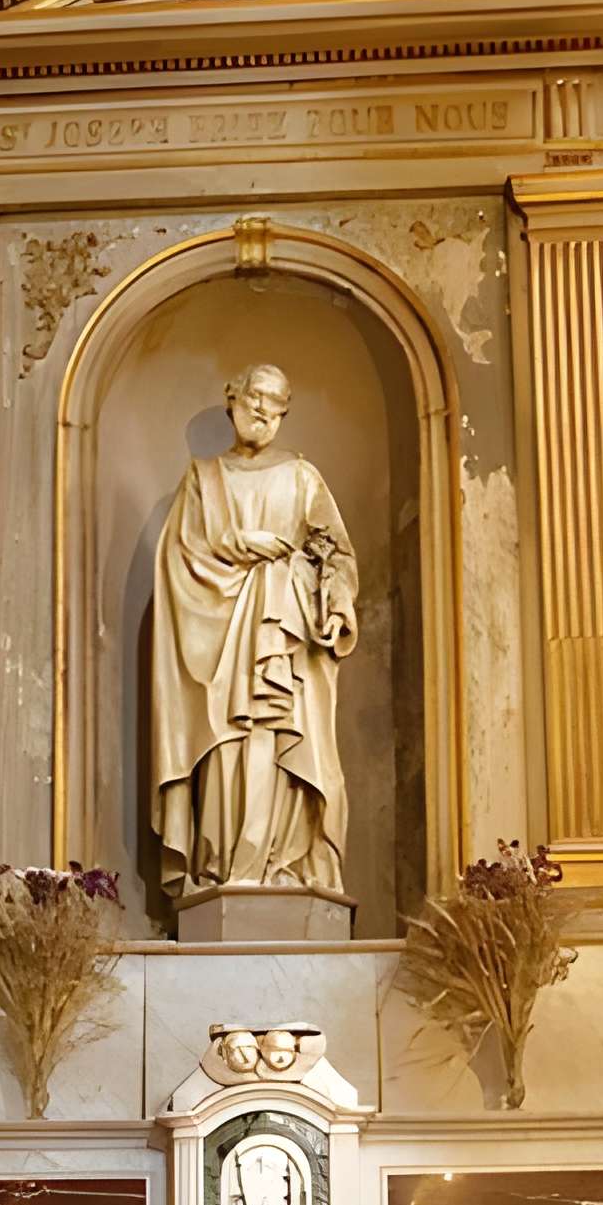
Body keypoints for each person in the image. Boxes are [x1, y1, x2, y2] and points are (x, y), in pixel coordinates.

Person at [151, 363, 357, 899]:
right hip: (220, 652)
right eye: (255, 397)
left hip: (287, 644)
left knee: (285, 751)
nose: (263, 410)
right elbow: (180, 560)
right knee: (227, 753)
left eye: (276, 402)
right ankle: (226, 871)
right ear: (232, 399)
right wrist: (245, 547)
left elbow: (334, 554)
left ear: (285, 412)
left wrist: (332, 601)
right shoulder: (203, 479)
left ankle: (287, 866)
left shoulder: (303, 477)